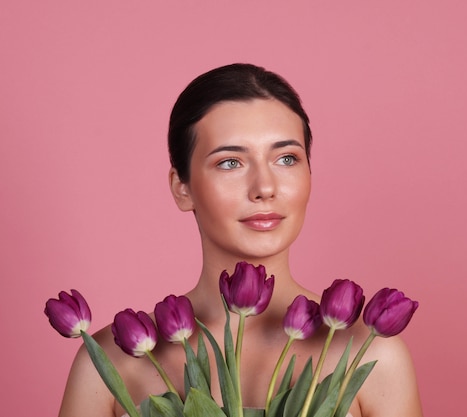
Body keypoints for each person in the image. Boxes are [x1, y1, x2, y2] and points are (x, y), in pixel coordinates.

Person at [58, 63, 423, 417]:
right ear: (181, 188)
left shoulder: (373, 356)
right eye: (230, 162)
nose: (265, 187)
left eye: (286, 158)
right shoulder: (111, 362)